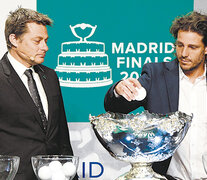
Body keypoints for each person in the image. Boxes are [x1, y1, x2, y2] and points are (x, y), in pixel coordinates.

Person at [104, 11, 207, 180]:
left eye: (193, 47)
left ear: (206, 49)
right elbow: (115, 107)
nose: (183, 53)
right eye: (179, 45)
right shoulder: (156, 74)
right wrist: (119, 90)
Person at [0, 7, 76, 180]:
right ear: (14, 39)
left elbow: (61, 134)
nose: (45, 47)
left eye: (46, 40)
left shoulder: (49, 75)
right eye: (37, 41)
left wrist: (71, 173)